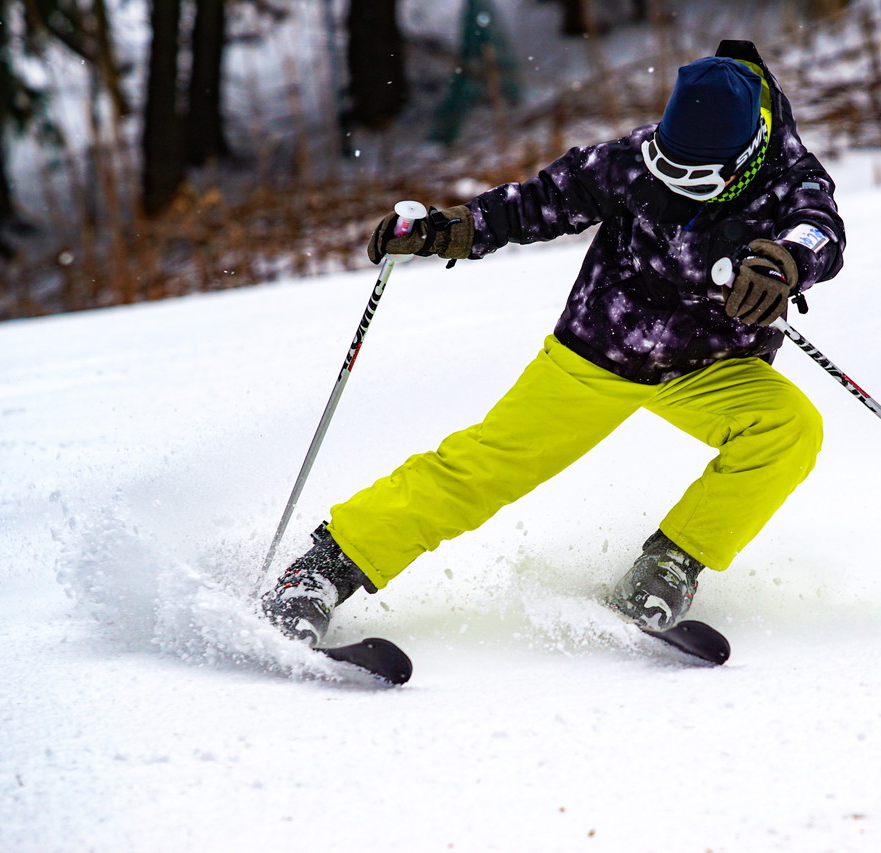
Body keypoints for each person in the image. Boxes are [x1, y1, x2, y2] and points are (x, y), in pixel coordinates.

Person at [260, 40, 845, 646]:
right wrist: (449, 231)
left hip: (711, 366)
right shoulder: (630, 162)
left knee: (788, 428)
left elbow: (819, 229)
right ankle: (322, 570)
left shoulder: (790, 180)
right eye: (666, 164)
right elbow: (541, 202)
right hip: (602, 349)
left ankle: (669, 566)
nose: (672, 181)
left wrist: (785, 262)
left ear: (743, 157)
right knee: (484, 468)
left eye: (693, 178)